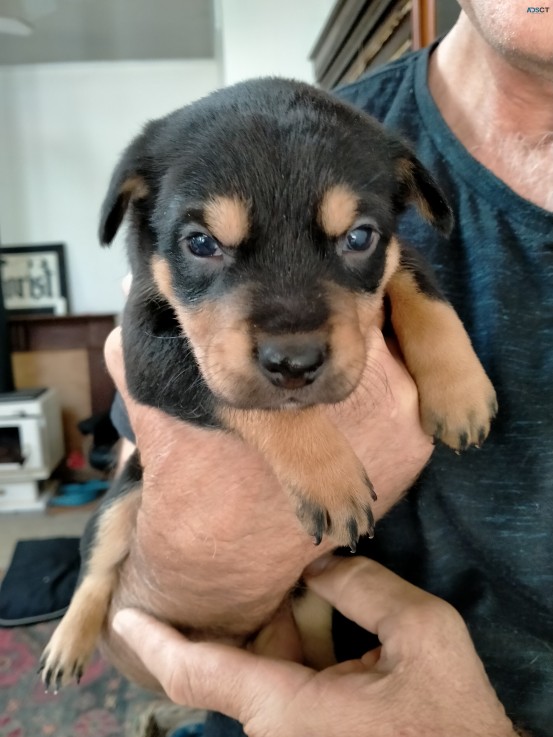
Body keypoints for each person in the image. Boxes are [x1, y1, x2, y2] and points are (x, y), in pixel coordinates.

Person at [105, 2, 553, 735]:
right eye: (205, 246)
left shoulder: (367, 166)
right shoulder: (279, 143)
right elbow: (136, 637)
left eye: (356, 237)